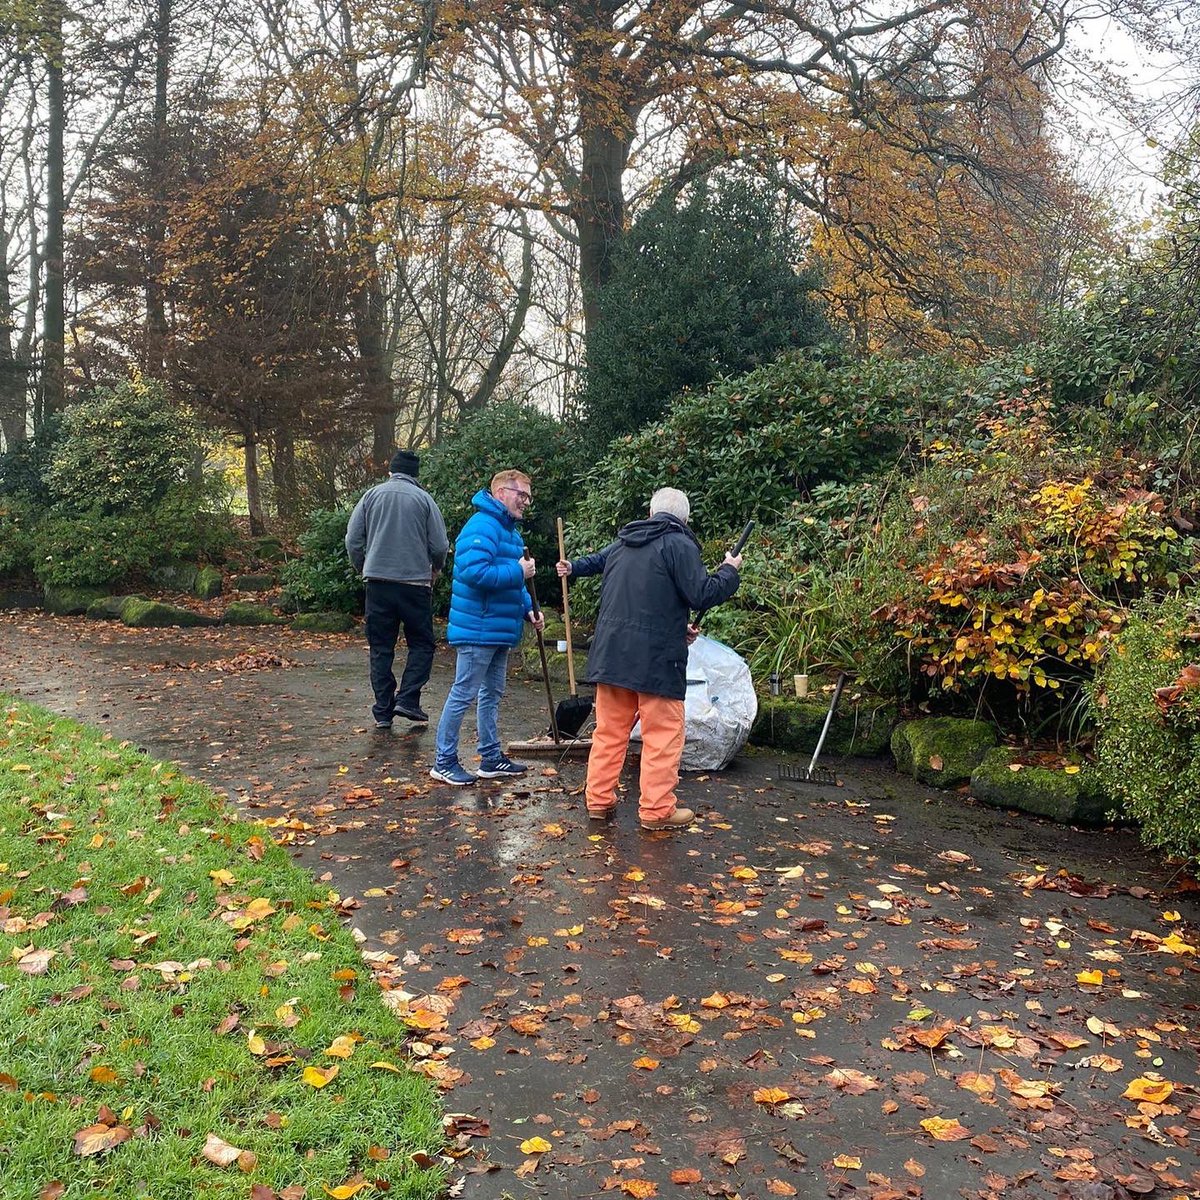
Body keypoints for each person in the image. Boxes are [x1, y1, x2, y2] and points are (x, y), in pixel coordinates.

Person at [557, 487, 741, 830]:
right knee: (662, 735)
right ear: (684, 519)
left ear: (650, 512)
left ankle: (598, 802)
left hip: (612, 657)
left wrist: (676, 626)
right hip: (657, 661)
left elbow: (646, 597)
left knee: (609, 732)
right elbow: (702, 592)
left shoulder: (625, 544)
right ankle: (657, 811)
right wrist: (729, 570)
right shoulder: (679, 544)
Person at [430, 469, 545, 786]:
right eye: (521, 494)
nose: (525, 501)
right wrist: (517, 570)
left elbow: (514, 583)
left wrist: (528, 611)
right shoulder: (482, 525)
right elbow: (474, 573)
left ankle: (491, 758)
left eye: (528, 496)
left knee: (491, 694)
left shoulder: (510, 532)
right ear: (501, 493)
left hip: (497, 629)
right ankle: (444, 761)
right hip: (477, 628)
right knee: (463, 693)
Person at [345, 449, 449, 729]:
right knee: (422, 644)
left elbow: (353, 539)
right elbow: (440, 545)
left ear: (390, 471)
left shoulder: (371, 496)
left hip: (377, 585)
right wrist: (435, 569)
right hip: (415, 585)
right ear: (416, 475)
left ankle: (383, 710)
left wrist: (364, 566)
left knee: (380, 647)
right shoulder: (425, 500)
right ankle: (408, 698)